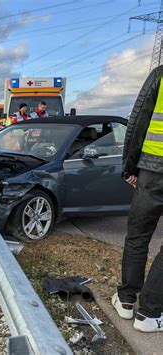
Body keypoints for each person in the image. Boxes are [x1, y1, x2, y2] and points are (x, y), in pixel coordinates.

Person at [111, 66, 163, 333]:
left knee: (138, 236)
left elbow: (138, 119)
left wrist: (130, 167)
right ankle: (150, 314)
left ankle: (126, 299)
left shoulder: (161, 75)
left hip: (153, 170)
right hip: (152, 169)